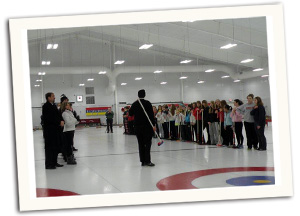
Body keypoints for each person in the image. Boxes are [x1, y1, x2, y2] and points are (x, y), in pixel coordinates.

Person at [129, 89, 156, 167]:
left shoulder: (135, 104)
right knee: (147, 144)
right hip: (147, 127)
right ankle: (148, 160)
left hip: (137, 127)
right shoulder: (148, 103)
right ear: (145, 95)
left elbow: (130, 114)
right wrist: (153, 125)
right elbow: (151, 115)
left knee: (140, 144)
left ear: (138, 95)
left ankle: (142, 161)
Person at [42, 92, 64, 169]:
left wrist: (61, 120)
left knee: (55, 147)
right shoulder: (46, 106)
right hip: (49, 131)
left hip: (55, 130)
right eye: (53, 96)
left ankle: (54, 162)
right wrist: (58, 122)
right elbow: (48, 118)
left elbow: (58, 115)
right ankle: (49, 164)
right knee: (49, 148)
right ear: (49, 98)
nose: (54, 97)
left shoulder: (54, 106)